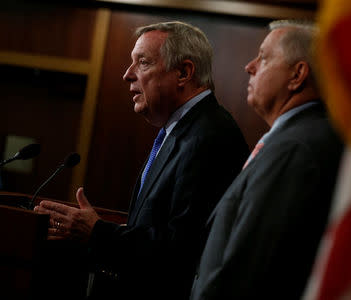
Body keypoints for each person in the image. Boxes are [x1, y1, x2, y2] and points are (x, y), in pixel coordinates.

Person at [34, 21, 249, 299]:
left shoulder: (210, 136)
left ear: (184, 72)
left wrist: (98, 233)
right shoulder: (182, 130)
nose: (127, 74)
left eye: (142, 63)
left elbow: (180, 251)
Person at [190, 20, 343, 300]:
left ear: (297, 75)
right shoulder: (297, 138)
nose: (250, 66)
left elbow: (248, 273)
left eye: (264, 56)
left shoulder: (295, 148)